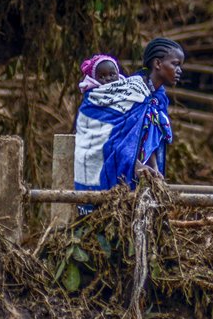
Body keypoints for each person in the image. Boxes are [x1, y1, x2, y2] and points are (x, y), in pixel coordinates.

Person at [74, 38, 184, 199]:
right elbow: (111, 137)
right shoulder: (131, 92)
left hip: (137, 176)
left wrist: (153, 168)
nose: (179, 70)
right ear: (158, 64)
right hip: (108, 176)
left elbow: (148, 137)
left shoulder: (157, 98)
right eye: (175, 64)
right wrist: (135, 165)